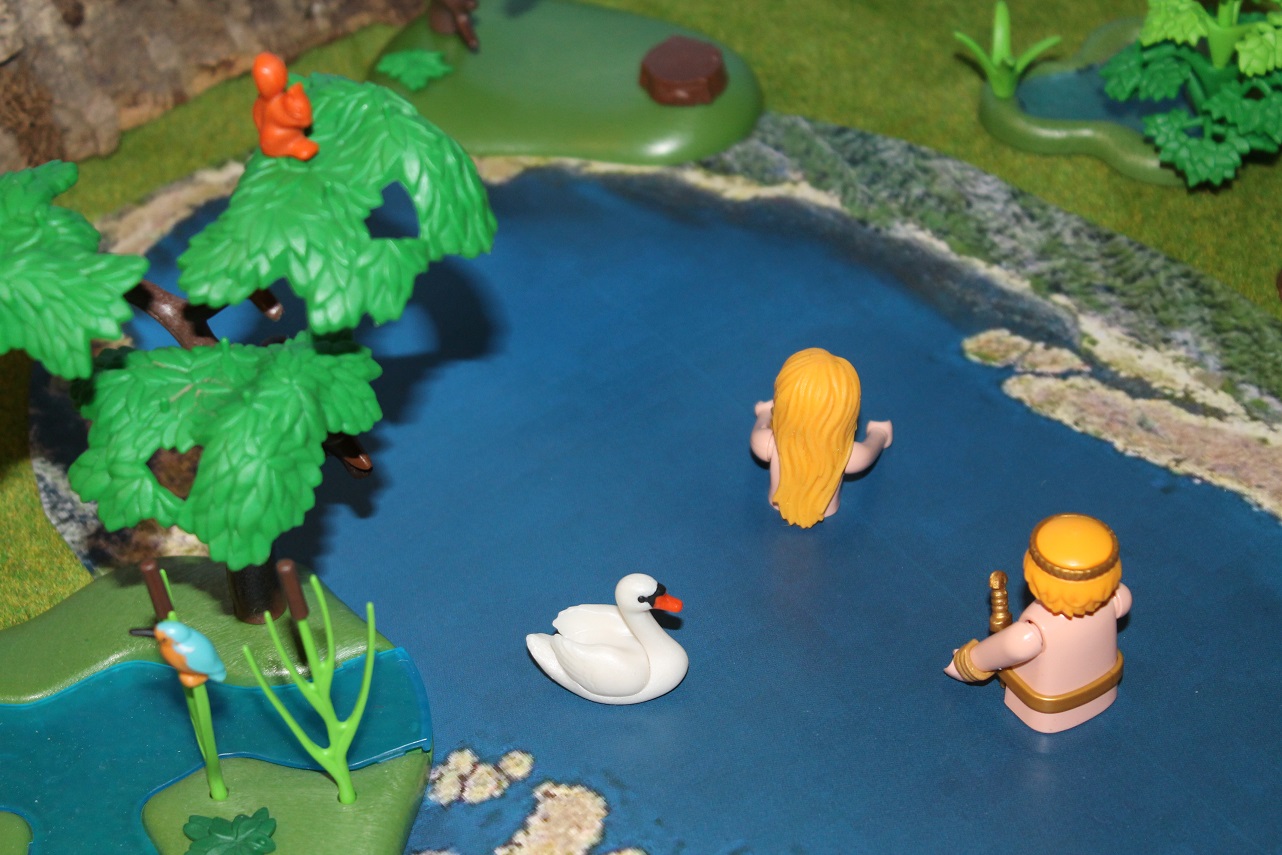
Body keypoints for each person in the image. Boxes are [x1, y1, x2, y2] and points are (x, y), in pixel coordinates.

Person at [945, 513, 1131, 733]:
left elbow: (998, 652)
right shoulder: (1115, 600)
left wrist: (963, 663)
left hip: (1048, 714)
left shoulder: (1034, 630)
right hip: (1103, 689)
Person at [750, 348, 892, 527]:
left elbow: (758, 431)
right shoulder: (847, 455)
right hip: (829, 510)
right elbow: (869, 451)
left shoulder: (769, 443)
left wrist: (765, 412)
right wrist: (880, 433)